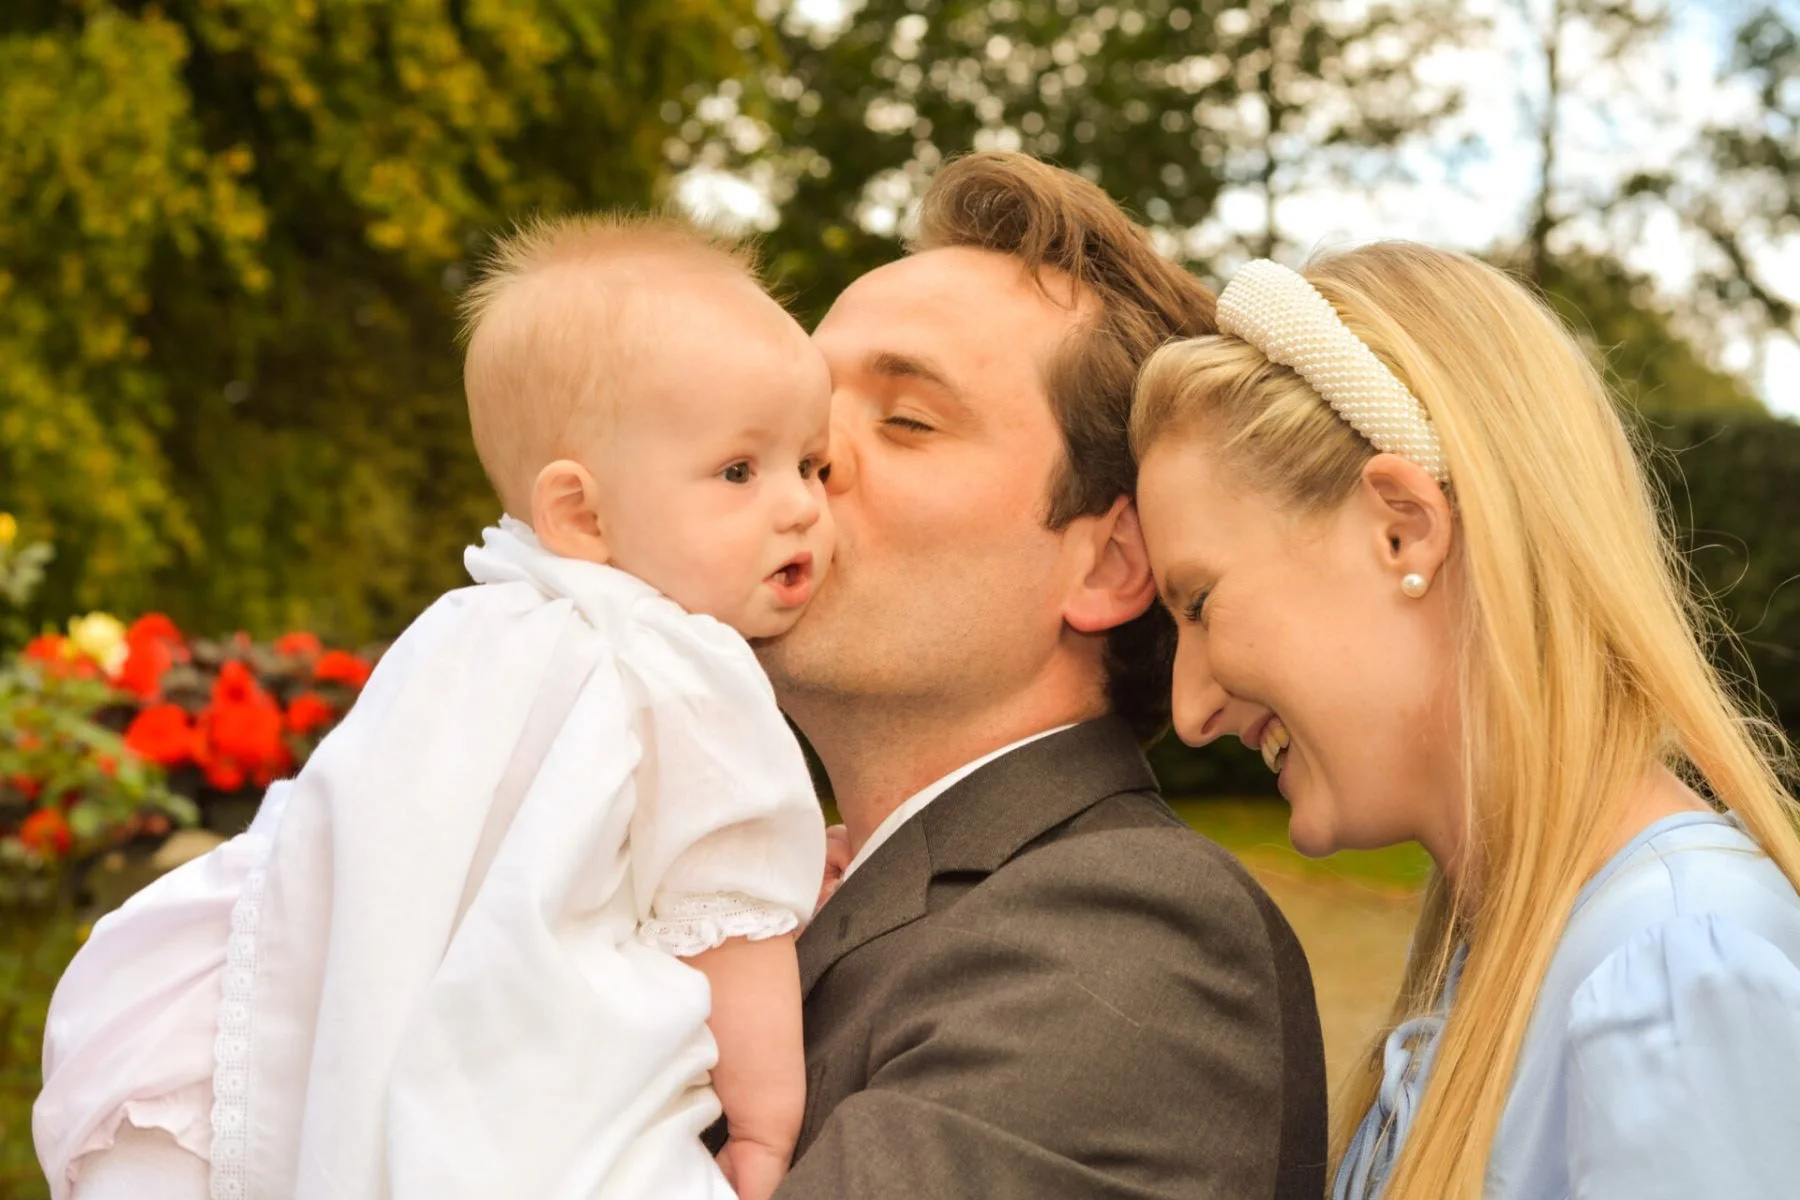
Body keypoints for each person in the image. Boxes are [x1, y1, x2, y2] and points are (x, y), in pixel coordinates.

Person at [34, 215, 832, 1200]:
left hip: (355, 1004)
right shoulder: (689, 666)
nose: (801, 506)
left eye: (813, 464)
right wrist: (762, 1126)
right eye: (741, 472)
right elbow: (735, 923)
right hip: (527, 1052)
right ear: (580, 513)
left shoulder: (464, 627)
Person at [1129, 244, 1800, 1198]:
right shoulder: (1527, 956)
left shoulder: (1674, 969)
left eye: (1198, 604)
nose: (1190, 711)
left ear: (1403, 528)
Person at [752, 152, 1330, 1198]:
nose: (802, 456)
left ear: (1106, 564)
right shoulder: (773, 895)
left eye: (907, 420)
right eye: (802, 405)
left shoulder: (1132, 932)